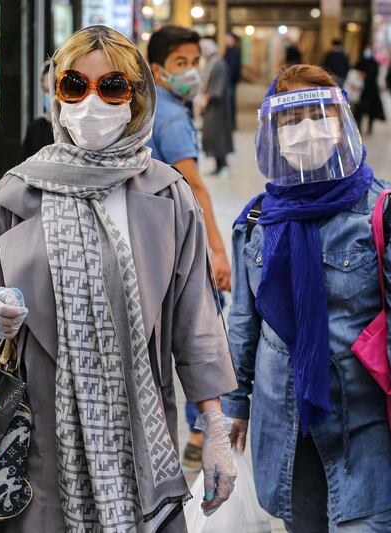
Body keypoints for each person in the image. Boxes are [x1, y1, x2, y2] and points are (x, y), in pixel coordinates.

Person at [0, 25, 238, 532]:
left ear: (135, 98)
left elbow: (194, 318)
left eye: (111, 86)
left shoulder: (168, 195)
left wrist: (215, 427)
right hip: (39, 438)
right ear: (57, 94)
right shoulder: (17, 193)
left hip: (139, 436)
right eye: (75, 85)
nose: (92, 101)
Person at [223, 64, 391, 532]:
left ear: (342, 122)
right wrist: (233, 404)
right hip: (285, 430)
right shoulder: (259, 221)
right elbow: (244, 322)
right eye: (291, 120)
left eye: (318, 114)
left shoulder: (388, 215)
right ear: (273, 132)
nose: (306, 130)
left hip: (363, 426)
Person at [145, 25, 233, 472]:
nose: (192, 71)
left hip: (151, 246)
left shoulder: (148, 108)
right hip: (179, 246)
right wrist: (218, 250)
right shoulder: (174, 118)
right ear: (157, 69)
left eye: (195, 62)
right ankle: (204, 433)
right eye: (182, 64)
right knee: (203, 330)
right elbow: (194, 185)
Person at [198, 37, 234, 177]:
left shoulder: (219, 64)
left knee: (219, 136)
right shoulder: (211, 63)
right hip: (211, 108)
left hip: (218, 108)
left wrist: (206, 98)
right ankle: (218, 165)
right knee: (212, 137)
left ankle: (223, 164)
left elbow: (217, 88)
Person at [20, 60, 55, 159]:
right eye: (47, 90)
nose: (51, 96)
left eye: (54, 90)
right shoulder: (35, 128)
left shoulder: (74, 129)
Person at [353, 45, 385, 135]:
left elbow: (375, 75)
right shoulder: (361, 62)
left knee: (371, 110)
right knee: (359, 110)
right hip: (360, 91)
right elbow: (354, 70)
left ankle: (370, 127)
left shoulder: (374, 63)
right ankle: (358, 127)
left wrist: (366, 75)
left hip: (371, 90)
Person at [223, 31, 243, 130]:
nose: (225, 40)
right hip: (230, 81)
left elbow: (233, 68)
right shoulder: (230, 50)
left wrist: (228, 79)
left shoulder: (233, 51)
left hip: (230, 81)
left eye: (227, 38)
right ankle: (230, 124)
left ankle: (231, 125)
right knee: (230, 102)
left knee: (230, 103)